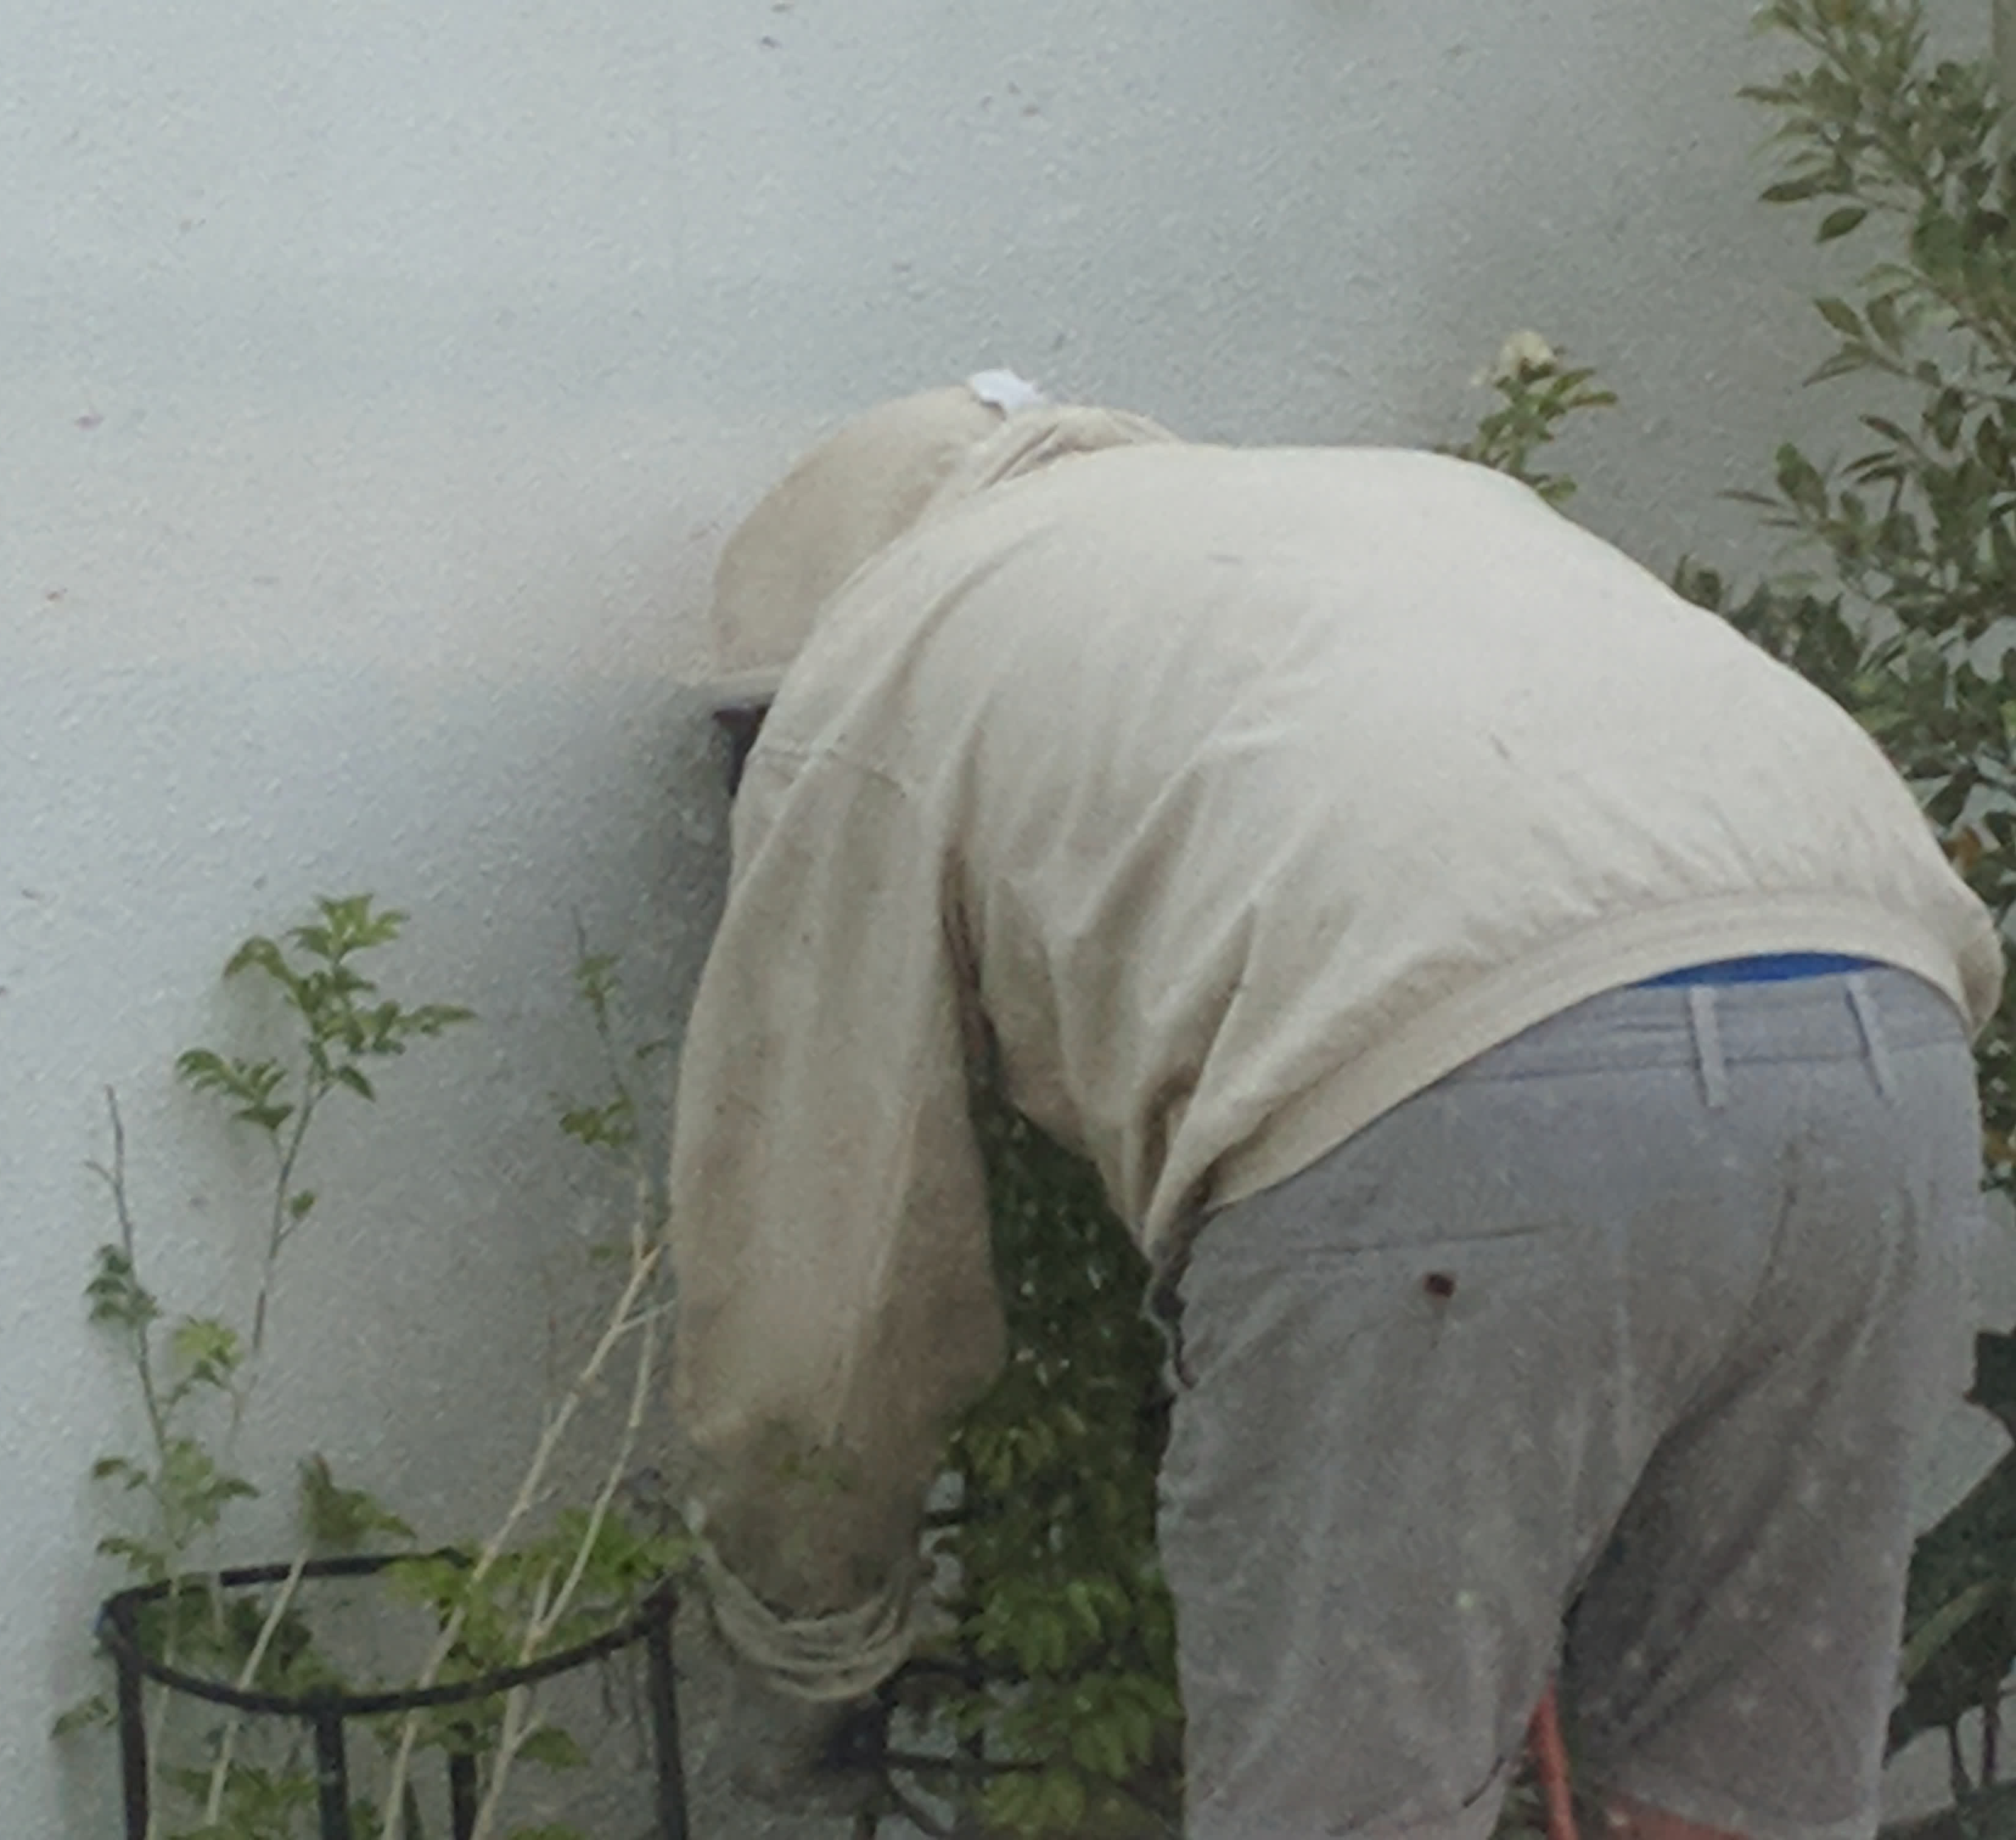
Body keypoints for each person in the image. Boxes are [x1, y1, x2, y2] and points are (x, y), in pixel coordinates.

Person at [664, 374, 2004, 1840]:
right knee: (1730, 1803)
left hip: (1445, 1097)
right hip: (1889, 1053)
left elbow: (828, 1284)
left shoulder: (885, 659)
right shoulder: (1373, 512)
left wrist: (811, 1659)